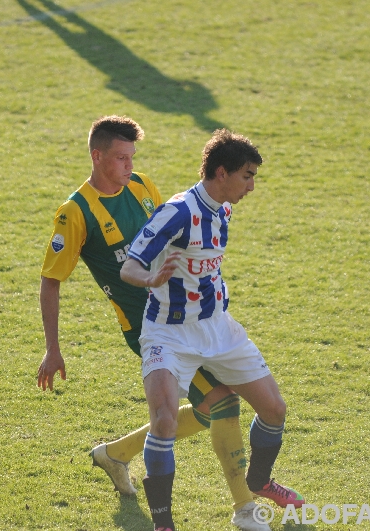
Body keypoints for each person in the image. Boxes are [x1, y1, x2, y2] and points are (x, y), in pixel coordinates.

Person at [37, 116, 273, 531]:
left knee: (202, 411)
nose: (130, 166)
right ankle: (245, 508)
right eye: (121, 158)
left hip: (191, 318)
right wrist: (52, 347)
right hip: (149, 325)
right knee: (222, 403)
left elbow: (173, 234)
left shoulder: (143, 186)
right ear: (98, 156)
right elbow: (51, 280)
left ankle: (116, 454)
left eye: (132, 157)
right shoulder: (74, 213)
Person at [119, 129, 305, 531]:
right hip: (168, 333)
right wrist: (150, 281)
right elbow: (129, 266)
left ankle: (259, 482)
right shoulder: (178, 212)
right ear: (222, 173)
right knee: (165, 420)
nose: (252, 186)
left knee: (274, 409)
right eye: (247, 176)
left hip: (218, 328)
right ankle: (163, 523)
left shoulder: (223, 210)